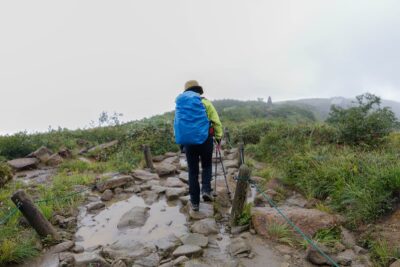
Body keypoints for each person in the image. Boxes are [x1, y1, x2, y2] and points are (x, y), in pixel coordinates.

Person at [174, 80, 222, 211]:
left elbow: (178, 125)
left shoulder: (181, 106)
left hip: (189, 143)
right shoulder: (205, 102)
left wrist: (181, 143)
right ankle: (206, 190)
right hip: (205, 139)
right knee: (206, 165)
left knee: (192, 171)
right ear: (198, 90)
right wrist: (218, 138)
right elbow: (216, 122)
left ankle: (195, 202)